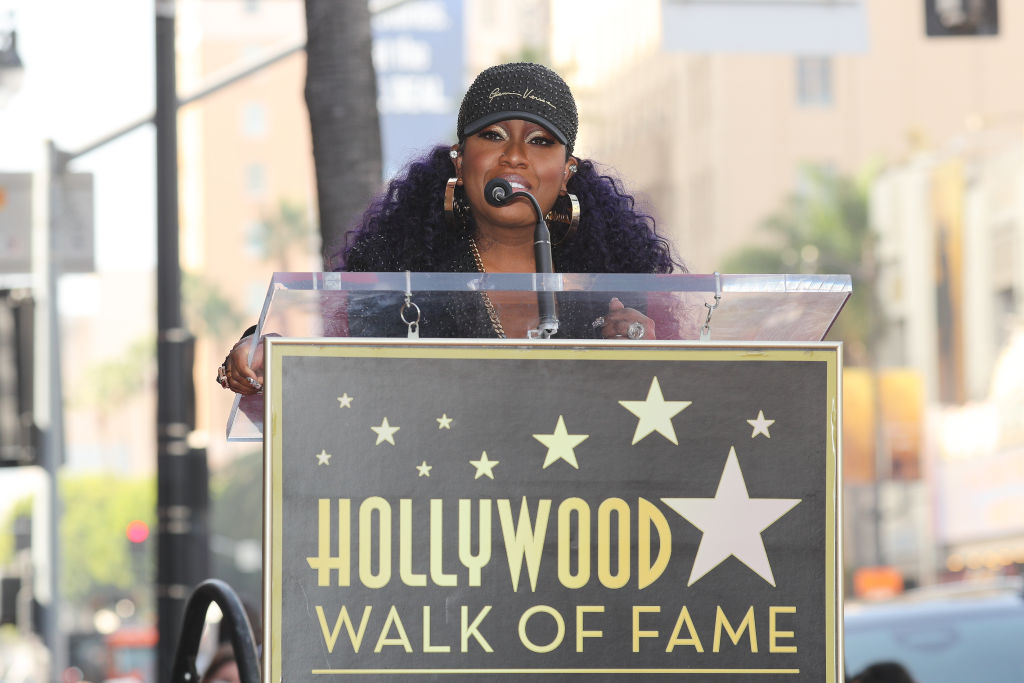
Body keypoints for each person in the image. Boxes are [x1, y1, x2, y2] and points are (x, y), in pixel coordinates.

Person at [219, 62, 683, 395]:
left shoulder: (618, 288)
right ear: (460, 163)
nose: (515, 156)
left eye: (541, 141)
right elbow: (337, 369)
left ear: (567, 172)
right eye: (493, 135)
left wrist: (645, 359)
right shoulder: (402, 283)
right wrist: (270, 355)